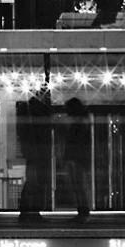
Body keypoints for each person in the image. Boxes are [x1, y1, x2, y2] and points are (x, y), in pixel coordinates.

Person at [16, 87, 52, 223]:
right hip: (36, 152)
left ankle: (28, 211)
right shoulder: (36, 113)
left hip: (33, 152)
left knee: (33, 182)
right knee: (35, 182)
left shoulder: (30, 112)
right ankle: (30, 211)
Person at [56, 97, 93, 221]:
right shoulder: (83, 121)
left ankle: (83, 212)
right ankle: (83, 211)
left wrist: (69, 157)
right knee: (79, 185)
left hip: (76, 158)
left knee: (78, 185)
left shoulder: (79, 123)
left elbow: (74, 141)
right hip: (79, 158)